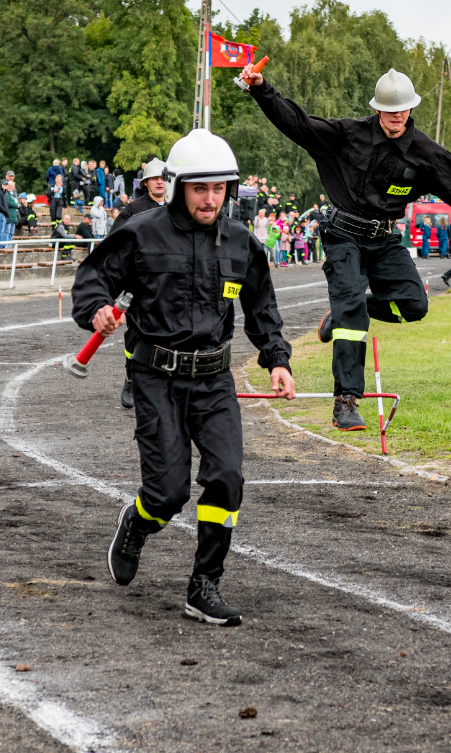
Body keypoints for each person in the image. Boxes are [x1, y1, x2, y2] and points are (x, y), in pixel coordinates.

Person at [73, 127, 294, 627]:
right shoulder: (141, 232)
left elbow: (262, 305)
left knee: (227, 479)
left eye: (219, 188)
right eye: (200, 189)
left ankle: (204, 584)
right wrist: (97, 309)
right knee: (168, 493)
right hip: (156, 379)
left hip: (215, 381)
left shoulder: (241, 242)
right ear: (177, 186)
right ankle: (137, 522)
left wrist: (277, 359)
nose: (210, 199)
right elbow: (93, 277)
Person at [242, 64, 451, 430]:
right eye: (389, 110)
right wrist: (262, 89)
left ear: (411, 108)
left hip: (385, 239)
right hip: (343, 235)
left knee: (414, 305)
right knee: (351, 313)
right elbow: (298, 124)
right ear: (377, 109)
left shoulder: (425, 153)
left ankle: (344, 313)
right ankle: (346, 401)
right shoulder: (348, 135)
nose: (396, 116)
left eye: (402, 109)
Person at [109, 158, 170, 409]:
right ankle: (131, 378)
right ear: (145, 183)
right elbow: (115, 242)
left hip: (169, 284)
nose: (159, 182)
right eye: (154, 178)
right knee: (135, 334)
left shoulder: (178, 208)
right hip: (139, 284)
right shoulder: (133, 210)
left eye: (163, 178)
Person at [0, 175, 15, 246]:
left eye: (6, 184)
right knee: (1, 231)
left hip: (3, 214)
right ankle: (0, 245)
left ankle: (2, 244)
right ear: (1, 185)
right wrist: (6, 212)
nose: (5, 185)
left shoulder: (4, 193)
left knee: (3, 230)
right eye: (4, 184)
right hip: (1, 213)